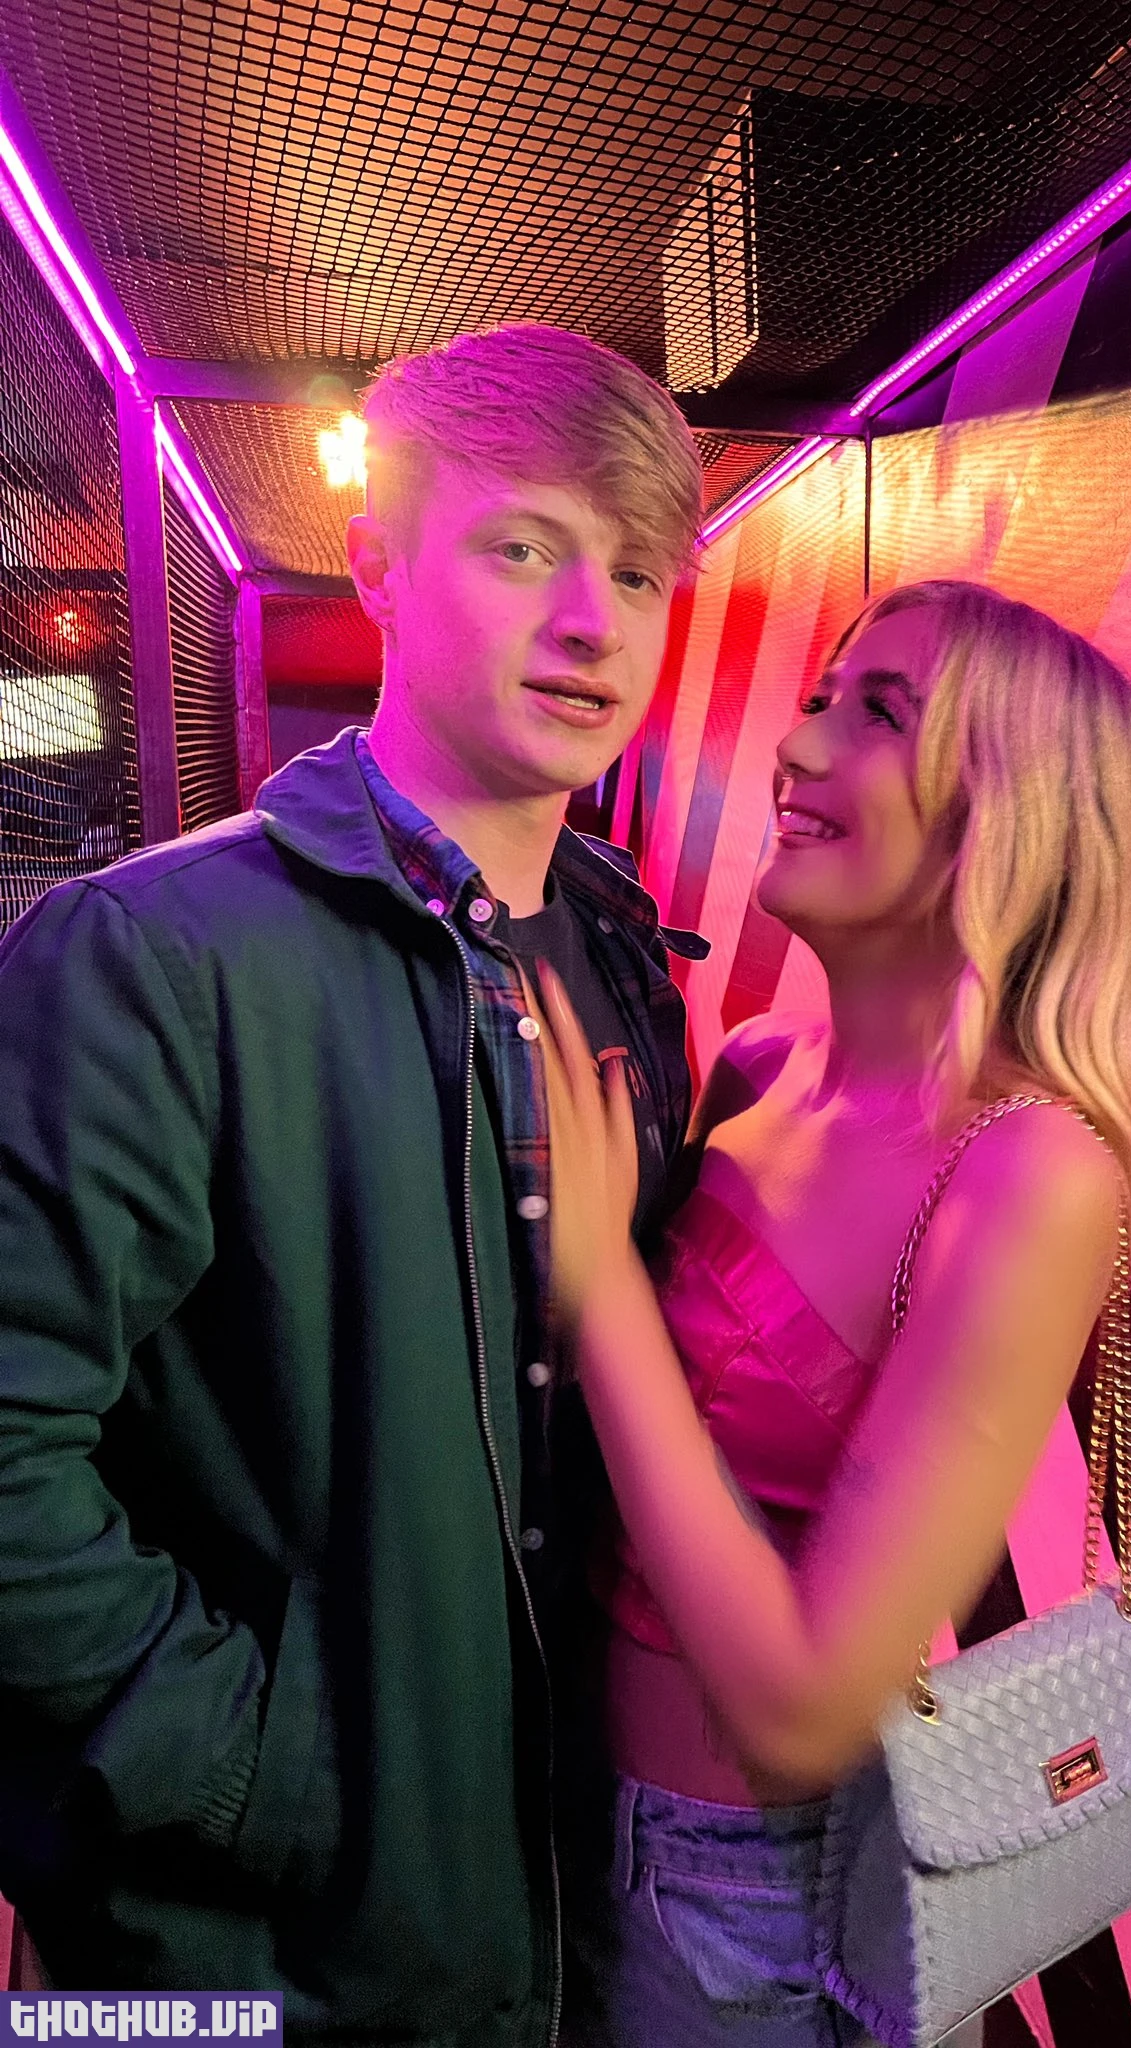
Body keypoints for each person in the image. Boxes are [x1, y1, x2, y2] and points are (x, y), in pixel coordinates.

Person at [0, 323, 702, 2042]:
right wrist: (255, 1769)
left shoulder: (627, 953)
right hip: (258, 1959)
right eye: (523, 547)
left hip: (573, 1912)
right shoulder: (152, 955)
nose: (592, 619)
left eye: (635, 569)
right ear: (378, 566)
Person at [534, 579, 1131, 2045]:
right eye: (821, 699)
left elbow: (805, 1712)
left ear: (1009, 813)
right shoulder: (757, 1067)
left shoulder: (1031, 1169)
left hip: (753, 1902)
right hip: (567, 1790)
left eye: (880, 716)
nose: (797, 746)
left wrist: (600, 1288)